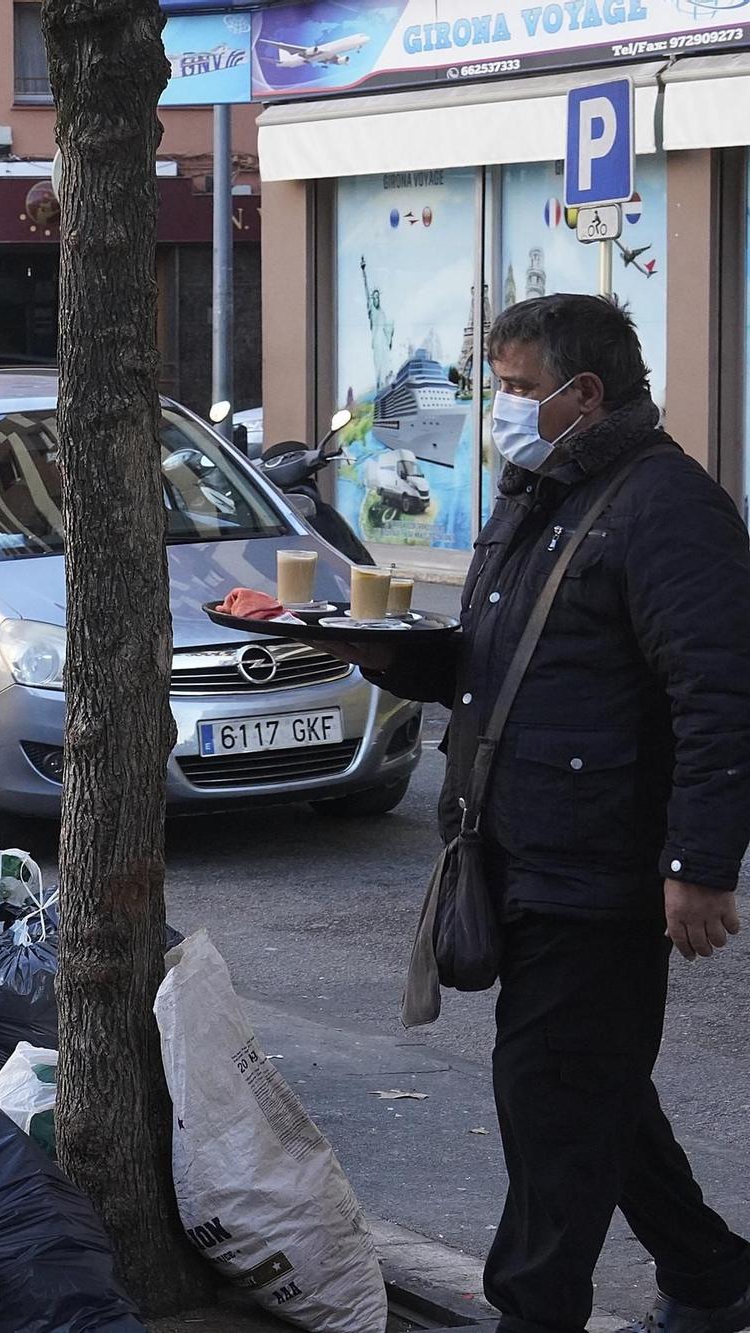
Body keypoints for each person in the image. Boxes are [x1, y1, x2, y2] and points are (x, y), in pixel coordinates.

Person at [359, 294, 750, 1333]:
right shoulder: (538, 492)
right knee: (588, 1088)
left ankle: (532, 1314)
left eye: (521, 389)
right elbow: (518, 663)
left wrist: (698, 864)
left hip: (601, 874)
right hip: (513, 854)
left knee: (548, 1102)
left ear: (584, 393)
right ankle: (712, 1278)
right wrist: (396, 656)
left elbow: (718, 693)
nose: (501, 407)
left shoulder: (667, 507)